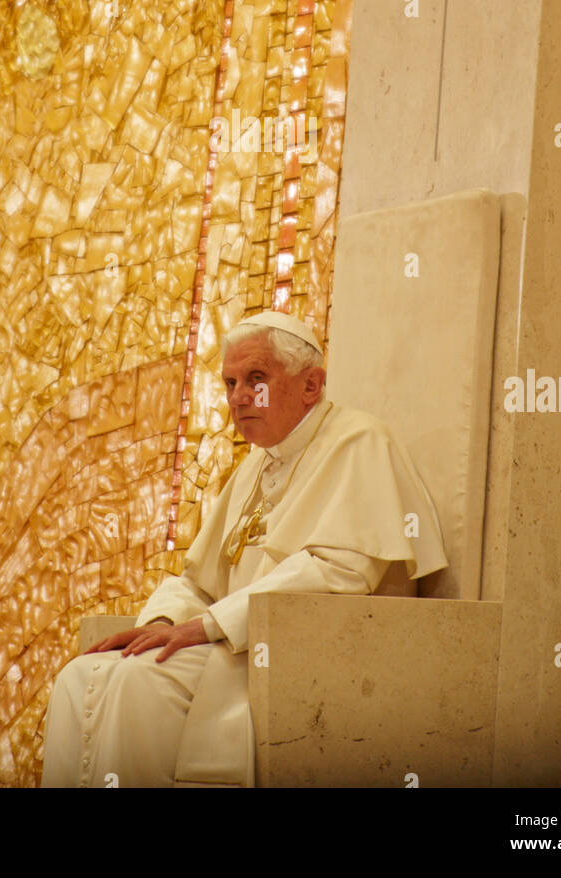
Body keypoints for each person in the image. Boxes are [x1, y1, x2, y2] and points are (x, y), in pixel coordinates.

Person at [40, 309, 448, 787]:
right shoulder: (256, 465)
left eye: (256, 378)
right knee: (78, 676)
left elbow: (342, 573)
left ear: (310, 386)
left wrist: (210, 625)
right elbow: (201, 581)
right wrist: (161, 623)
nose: (238, 397)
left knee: (137, 681)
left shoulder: (360, 443)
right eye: (230, 382)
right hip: (235, 643)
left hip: (301, 656)